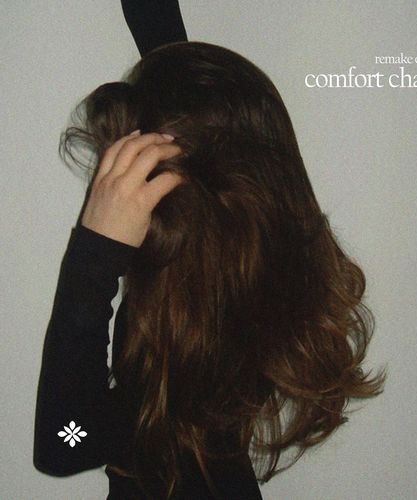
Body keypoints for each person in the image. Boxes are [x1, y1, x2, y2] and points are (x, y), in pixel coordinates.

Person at [33, 1, 387, 499]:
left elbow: (66, 441)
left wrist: (95, 252)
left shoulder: (201, 336)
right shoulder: (242, 263)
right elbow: (200, 113)